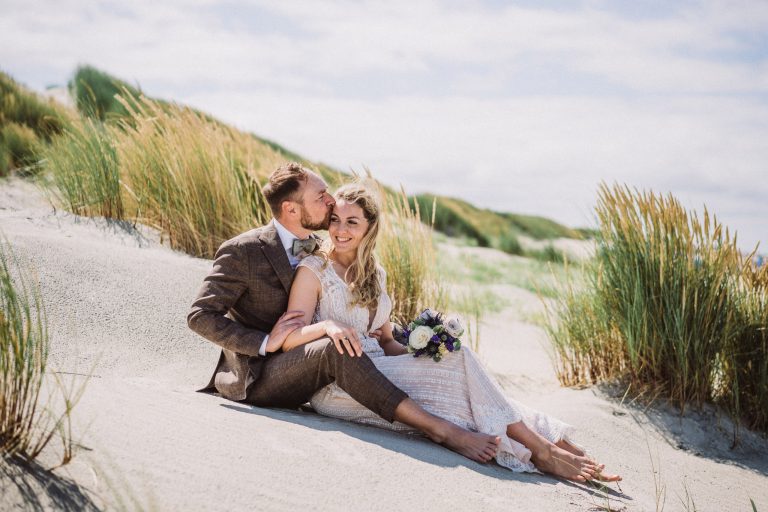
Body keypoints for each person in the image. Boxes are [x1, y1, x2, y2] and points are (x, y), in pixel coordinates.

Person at [279, 181, 621, 482]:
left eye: (352, 222)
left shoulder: (375, 273)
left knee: (458, 371)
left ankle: (565, 449)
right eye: (335, 220)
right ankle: (544, 450)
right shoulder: (315, 269)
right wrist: (326, 327)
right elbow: (289, 338)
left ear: (370, 227)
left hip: (386, 368)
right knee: (463, 375)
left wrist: (425, 351)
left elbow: (385, 341)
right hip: (344, 387)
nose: (340, 230)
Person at [188, 162, 501, 464]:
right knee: (335, 346)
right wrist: (265, 341)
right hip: (260, 376)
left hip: (308, 362)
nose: (329, 200)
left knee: (446, 361)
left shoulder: (314, 245)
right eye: (320, 196)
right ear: (292, 210)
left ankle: (516, 429)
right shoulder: (242, 250)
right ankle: (440, 430)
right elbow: (200, 316)